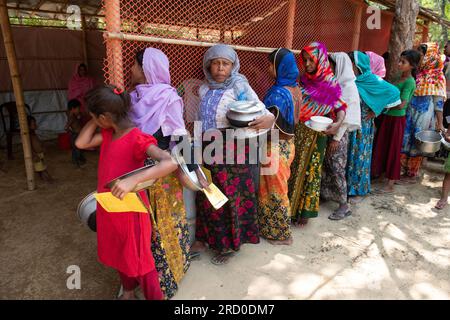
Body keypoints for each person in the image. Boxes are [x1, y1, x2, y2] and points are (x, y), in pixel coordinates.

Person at [75, 85, 178, 300]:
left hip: (131, 213)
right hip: (110, 206)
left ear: (104, 117)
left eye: (94, 117)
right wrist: (97, 118)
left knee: (141, 261)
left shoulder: (137, 138)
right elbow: (81, 142)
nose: (93, 121)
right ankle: (129, 292)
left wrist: (132, 180)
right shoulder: (107, 133)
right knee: (119, 252)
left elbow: (170, 163)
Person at [129, 47, 203, 298]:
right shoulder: (132, 98)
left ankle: (167, 277)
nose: (132, 70)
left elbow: (180, 137)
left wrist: (195, 171)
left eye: (135, 65)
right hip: (137, 173)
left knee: (165, 222)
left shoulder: (168, 98)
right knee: (146, 225)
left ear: (146, 69)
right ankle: (147, 274)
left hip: (161, 172)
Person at [193, 44, 275, 265]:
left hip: (234, 148)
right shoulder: (204, 89)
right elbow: (200, 121)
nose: (220, 68)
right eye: (216, 63)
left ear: (233, 66)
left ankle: (229, 245)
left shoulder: (240, 86)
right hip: (208, 147)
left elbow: (261, 111)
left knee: (230, 195)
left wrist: (269, 119)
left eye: (226, 64)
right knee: (206, 191)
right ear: (208, 65)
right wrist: (197, 147)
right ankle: (204, 238)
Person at [288, 42, 347, 227]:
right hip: (298, 132)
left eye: (311, 60)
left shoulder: (330, 82)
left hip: (317, 135)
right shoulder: (304, 80)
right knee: (295, 170)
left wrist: (337, 124)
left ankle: (305, 213)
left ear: (320, 59)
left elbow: (341, 107)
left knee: (311, 172)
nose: (307, 64)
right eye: (304, 60)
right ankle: (291, 208)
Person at [258, 48, 301, 245]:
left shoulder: (278, 93)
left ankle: (282, 234)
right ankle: (270, 228)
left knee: (274, 191)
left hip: (274, 145)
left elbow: (268, 122)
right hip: (288, 145)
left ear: (279, 67)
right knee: (277, 189)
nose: (268, 68)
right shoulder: (295, 88)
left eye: (271, 64)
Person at [346, 51, 401, 202]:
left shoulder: (371, 80)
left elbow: (394, 93)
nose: (349, 68)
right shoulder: (351, 81)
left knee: (359, 157)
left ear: (359, 65)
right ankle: (347, 188)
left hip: (362, 128)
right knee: (349, 156)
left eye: (351, 64)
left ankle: (358, 191)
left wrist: (377, 111)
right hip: (349, 125)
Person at [372, 50, 420, 193]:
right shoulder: (400, 77)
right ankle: (380, 174)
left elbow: (402, 104)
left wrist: (383, 104)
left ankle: (390, 184)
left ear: (412, 66)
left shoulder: (410, 82)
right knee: (383, 145)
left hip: (397, 119)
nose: (399, 64)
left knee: (393, 149)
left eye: (403, 62)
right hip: (389, 117)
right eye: (399, 60)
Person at [321, 52, 361, 220]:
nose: (328, 68)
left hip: (339, 134)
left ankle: (344, 205)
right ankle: (328, 195)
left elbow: (346, 118)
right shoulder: (336, 84)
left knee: (337, 168)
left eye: (331, 65)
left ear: (339, 66)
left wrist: (336, 139)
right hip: (330, 130)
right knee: (328, 165)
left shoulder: (349, 87)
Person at [400, 43, 447, 184]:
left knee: (417, 142)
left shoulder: (437, 77)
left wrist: (439, 123)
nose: (419, 57)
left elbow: (439, 103)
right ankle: (402, 171)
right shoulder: (419, 73)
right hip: (410, 111)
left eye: (421, 54)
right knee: (406, 140)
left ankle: (412, 175)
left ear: (429, 56)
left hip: (424, 114)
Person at [65, 99, 86, 168]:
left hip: (77, 134)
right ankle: (77, 163)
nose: (79, 110)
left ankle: (78, 160)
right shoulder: (71, 117)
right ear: (73, 109)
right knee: (76, 149)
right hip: (75, 135)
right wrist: (70, 129)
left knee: (77, 149)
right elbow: (66, 127)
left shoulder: (73, 115)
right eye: (78, 108)